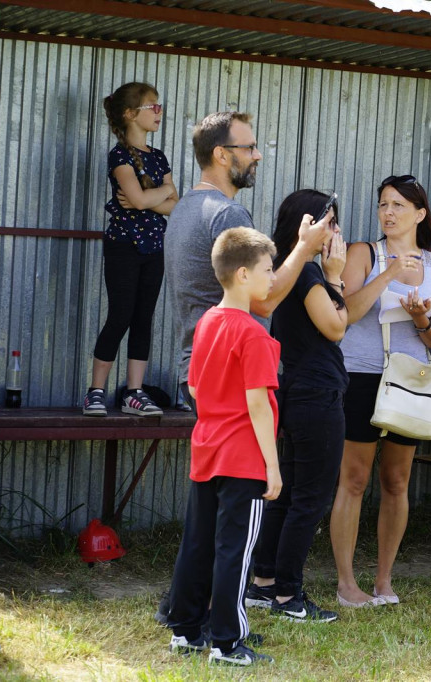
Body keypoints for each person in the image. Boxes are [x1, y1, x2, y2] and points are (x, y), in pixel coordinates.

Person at [331, 174, 431, 607]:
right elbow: (344, 314)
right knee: (354, 479)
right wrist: (387, 277)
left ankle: (384, 580)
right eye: (383, 204)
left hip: (412, 379)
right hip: (362, 374)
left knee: (397, 480)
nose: (388, 213)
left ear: (419, 214)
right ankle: (347, 584)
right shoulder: (363, 253)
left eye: (399, 205)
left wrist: (420, 317)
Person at [165, 227, 282, 667]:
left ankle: (186, 631)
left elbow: (194, 387)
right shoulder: (251, 332)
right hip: (244, 457)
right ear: (243, 274)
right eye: (268, 270)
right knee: (236, 549)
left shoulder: (207, 322)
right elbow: (258, 404)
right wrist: (273, 467)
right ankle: (228, 642)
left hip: (207, 449)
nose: (272, 279)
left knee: (198, 543)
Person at [164, 111, 331, 412]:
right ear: (221, 155)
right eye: (249, 147)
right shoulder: (227, 213)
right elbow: (262, 301)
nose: (258, 155)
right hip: (230, 372)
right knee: (244, 461)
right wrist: (305, 247)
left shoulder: (185, 207)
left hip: (201, 370)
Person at [245, 191, 347, 623]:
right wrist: (336, 276)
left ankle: (264, 581)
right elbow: (336, 326)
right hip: (316, 395)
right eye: (332, 224)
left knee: (289, 496)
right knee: (311, 498)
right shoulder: (305, 274)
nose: (337, 233)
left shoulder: (284, 272)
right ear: (310, 225)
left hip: (298, 392)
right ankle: (288, 594)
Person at [83, 82, 177, 417]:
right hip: (123, 245)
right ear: (129, 114)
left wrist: (150, 199)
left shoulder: (159, 157)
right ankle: (96, 391)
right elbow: (138, 198)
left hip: (155, 247)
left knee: (143, 317)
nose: (158, 112)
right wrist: (159, 194)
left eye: (159, 105)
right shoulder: (119, 155)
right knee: (121, 314)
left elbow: (174, 205)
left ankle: (133, 393)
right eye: (152, 106)